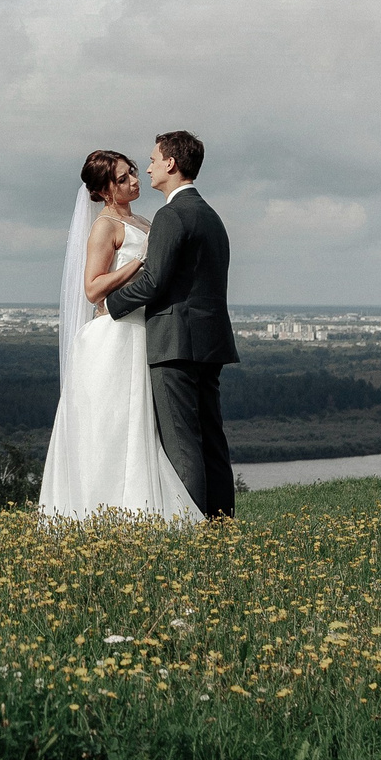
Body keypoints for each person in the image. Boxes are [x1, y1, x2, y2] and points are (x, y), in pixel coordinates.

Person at [36, 147, 201, 521]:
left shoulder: (143, 220)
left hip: (143, 330)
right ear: (106, 189)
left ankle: (137, 507)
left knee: (142, 424)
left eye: (134, 173)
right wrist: (140, 262)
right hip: (114, 336)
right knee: (110, 427)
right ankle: (103, 509)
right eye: (124, 177)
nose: (134, 180)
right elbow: (93, 289)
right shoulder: (105, 226)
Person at [104, 130, 238, 518]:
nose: (146, 168)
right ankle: (221, 524)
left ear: (171, 164)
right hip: (210, 342)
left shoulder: (171, 214)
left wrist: (110, 304)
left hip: (174, 343)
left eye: (152, 160)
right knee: (212, 438)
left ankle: (192, 530)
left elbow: (154, 280)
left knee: (181, 442)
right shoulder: (211, 216)